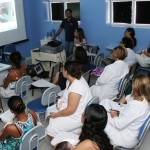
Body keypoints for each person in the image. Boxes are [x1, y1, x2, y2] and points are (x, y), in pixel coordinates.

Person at [101, 74, 150, 148]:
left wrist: (114, 116)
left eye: (133, 86)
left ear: (137, 88)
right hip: (129, 132)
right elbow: (129, 102)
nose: (132, 87)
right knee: (106, 105)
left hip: (124, 137)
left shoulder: (137, 107)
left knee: (99, 119)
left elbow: (119, 124)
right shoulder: (145, 101)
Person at [46, 61, 92, 137]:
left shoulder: (76, 88)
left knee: (51, 129)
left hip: (77, 116)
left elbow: (70, 110)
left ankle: (61, 144)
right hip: (76, 108)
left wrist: (56, 115)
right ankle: (68, 131)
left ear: (67, 72)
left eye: (63, 69)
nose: (62, 71)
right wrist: (60, 100)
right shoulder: (71, 80)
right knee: (50, 111)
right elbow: (66, 93)